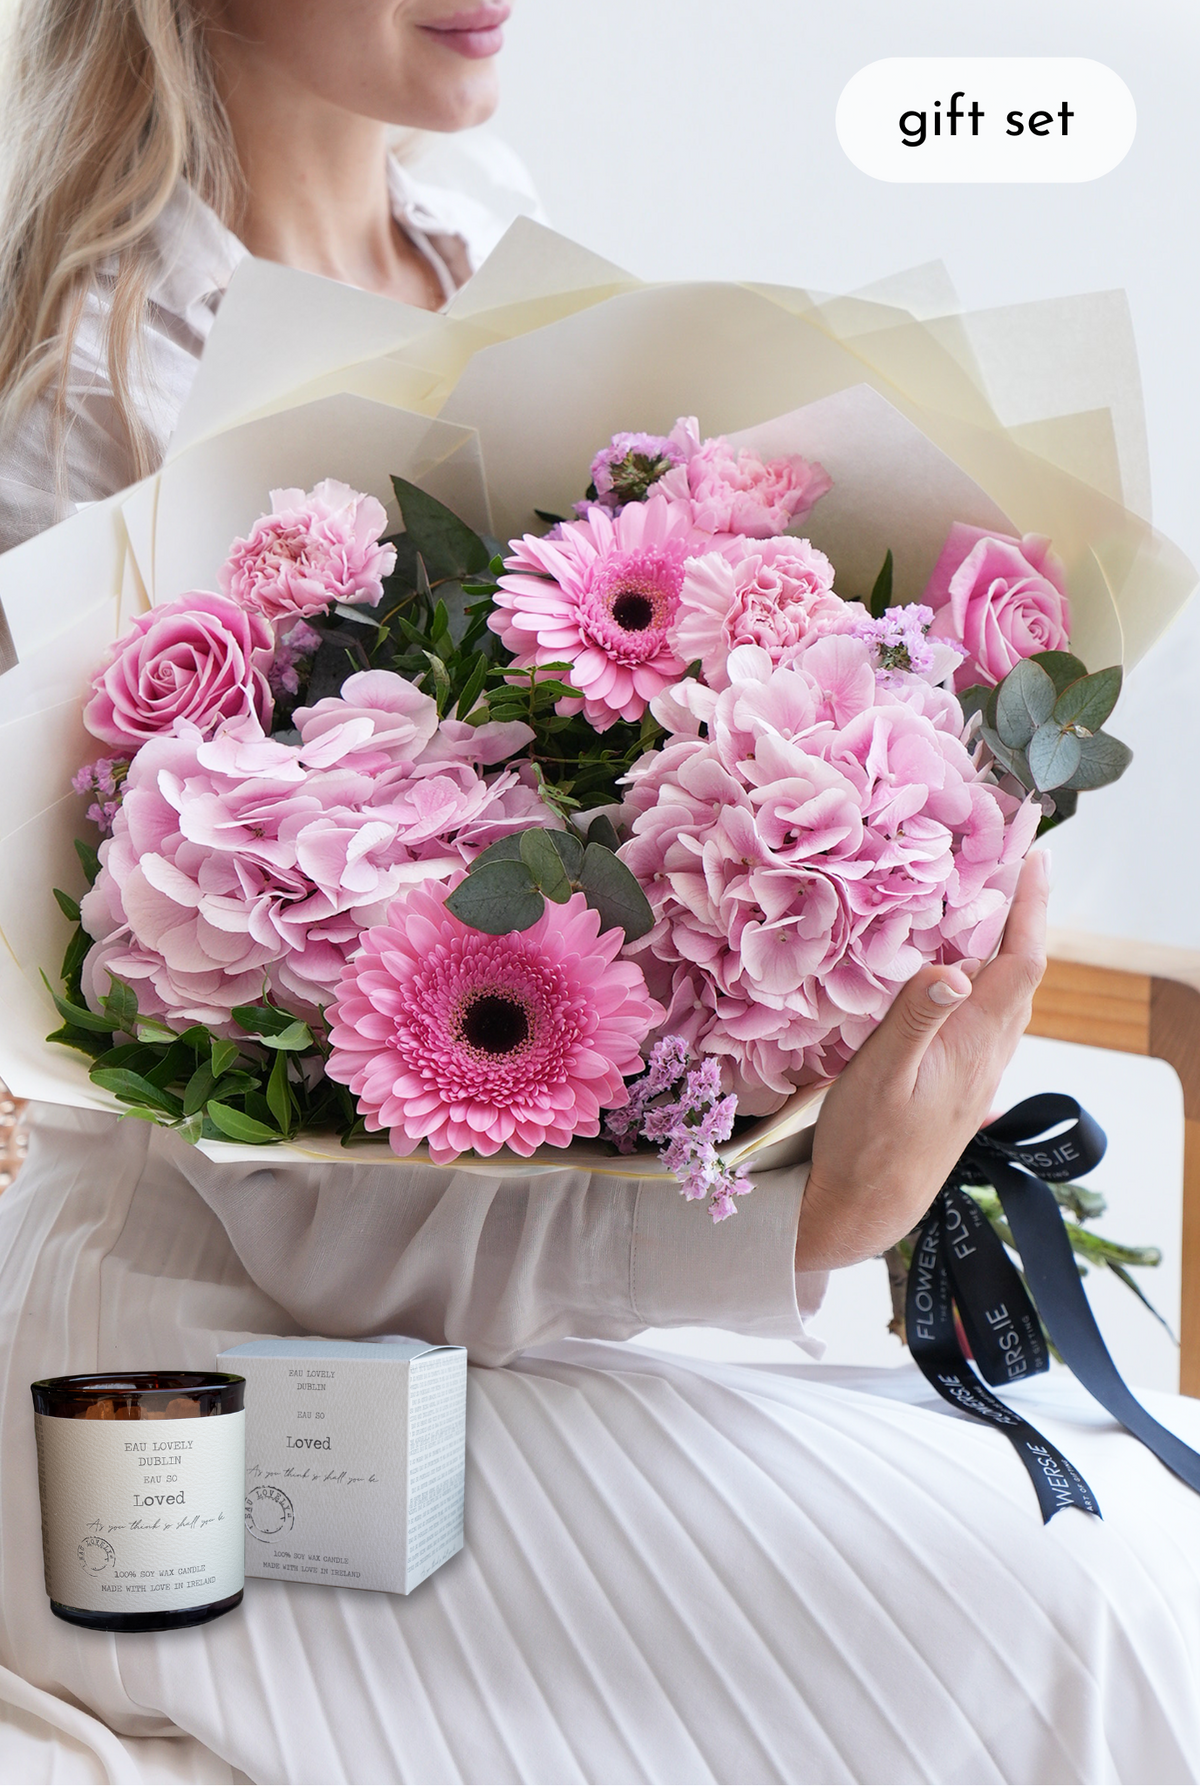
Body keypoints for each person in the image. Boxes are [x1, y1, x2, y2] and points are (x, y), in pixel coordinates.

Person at [0, 4, 1198, 1781]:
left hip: (526, 1312)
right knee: (1098, 1608)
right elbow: (247, 1164)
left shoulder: (490, 236)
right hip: (190, 1383)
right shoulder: (68, 402)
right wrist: (794, 1217)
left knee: (1142, 1551)